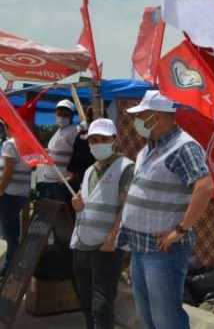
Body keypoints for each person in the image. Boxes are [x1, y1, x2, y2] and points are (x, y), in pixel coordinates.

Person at [119, 90, 214, 329]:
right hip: (141, 248)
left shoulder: (183, 147)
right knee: (147, 315)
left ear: (158, 116)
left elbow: (204, 186)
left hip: (163, 251)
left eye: (142, 115)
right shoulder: (148, 149)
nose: (136, 121)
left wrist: (181, 230)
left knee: (166, 319)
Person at [70, 118, 134, 329]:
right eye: (93, 140)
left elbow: (126, 207)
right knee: (85, 301)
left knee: (101, 303)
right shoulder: (90, 170)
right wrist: (77, 204)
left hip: (106, 246)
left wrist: (113, 237)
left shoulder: (125, 168)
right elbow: (87, 202)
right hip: (82, 242)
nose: (97, 144)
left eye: (103, 139)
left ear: (114, 139)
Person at [0, 122, 31, 275]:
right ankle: (12, 264)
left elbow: (7, 173)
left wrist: (0, 190)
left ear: (8, 127)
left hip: (8, 194)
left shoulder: (9, 144)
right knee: (13, 231)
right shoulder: (24, 143)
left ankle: (8, 268)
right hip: (21, 193)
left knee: (8, 234)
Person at [36, 98, 80, 203]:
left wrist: (72, 176)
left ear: (72, 116)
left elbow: (78, 155)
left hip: (62, 182)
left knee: (62, 215)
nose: (61, 116)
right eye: (59, 113)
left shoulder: (74, 131)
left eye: (65, 114)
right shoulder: (59, 131)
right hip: (49, 181)